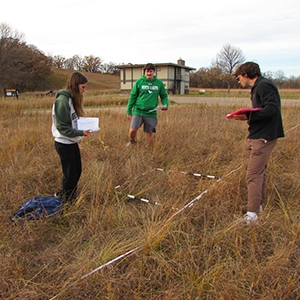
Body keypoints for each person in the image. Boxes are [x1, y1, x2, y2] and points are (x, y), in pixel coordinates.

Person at [233, 62, 284, 224]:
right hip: (259, 134)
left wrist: (248, 116)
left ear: (246, 74)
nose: (238, 80)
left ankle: (252, 215)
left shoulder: (264, 86)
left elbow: (272, 109)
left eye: (238, 77)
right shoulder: (259, 87)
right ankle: (256, 205)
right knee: (260, 172)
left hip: (264, 137)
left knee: (253, 175)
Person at [51, 72, 92, 202]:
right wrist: (80, 133)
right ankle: (68, 201)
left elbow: (72, 120)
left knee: (77, 171)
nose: (84, 90)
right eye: (83, 87)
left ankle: (65, 194)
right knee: (70, 174)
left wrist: (84, 126)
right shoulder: (62, 101)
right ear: (75, 85)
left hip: (71, 142)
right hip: (63, 142)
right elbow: (62, 128)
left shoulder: (71, 99)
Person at [126, 63, 169, 147]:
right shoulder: (139, 82)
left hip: (151, 112)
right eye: (147, 71)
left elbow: (164, 96)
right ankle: (132, 141)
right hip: (138, 111)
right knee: (133, 130)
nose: (149, 73)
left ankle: (147, 149)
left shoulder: (159, 83)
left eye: (150, 71)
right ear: (144, 72)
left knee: (149, 133)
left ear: (154, 72)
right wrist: (129, 110)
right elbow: (133, 96)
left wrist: (165, 104)